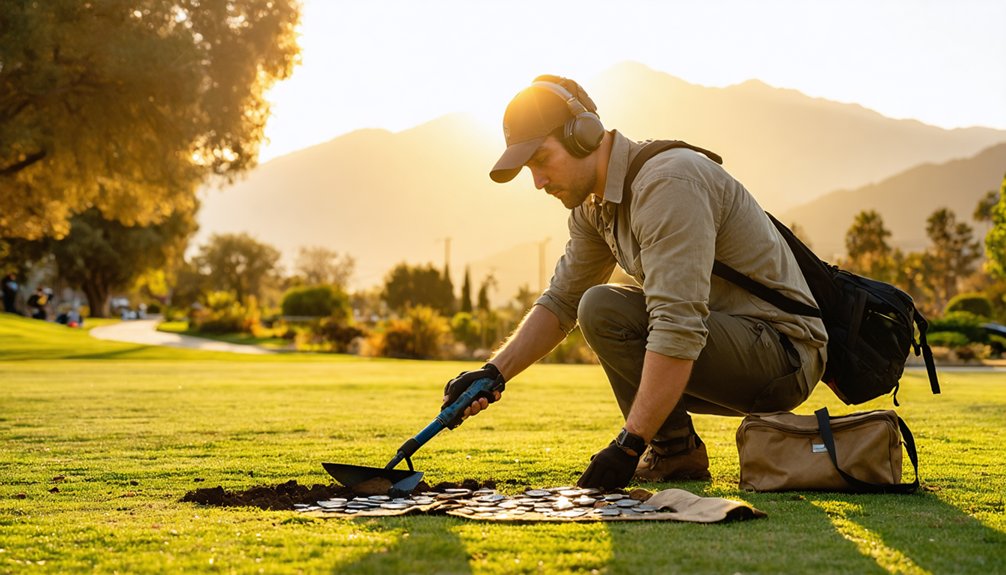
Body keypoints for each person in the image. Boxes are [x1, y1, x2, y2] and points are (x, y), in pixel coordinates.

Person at [440, 75, 828, 490]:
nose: (537, 181)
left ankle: (669, 449)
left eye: (541, 159)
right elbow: (562, 301)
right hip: (730, 344)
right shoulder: (593, 207)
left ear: (583, 135)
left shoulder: (667, 184)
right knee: (593, 305)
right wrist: (493, 372)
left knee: (603, 308)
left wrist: (629, 443)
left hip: (783, 355)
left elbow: (678, 324)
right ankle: (676, 453)